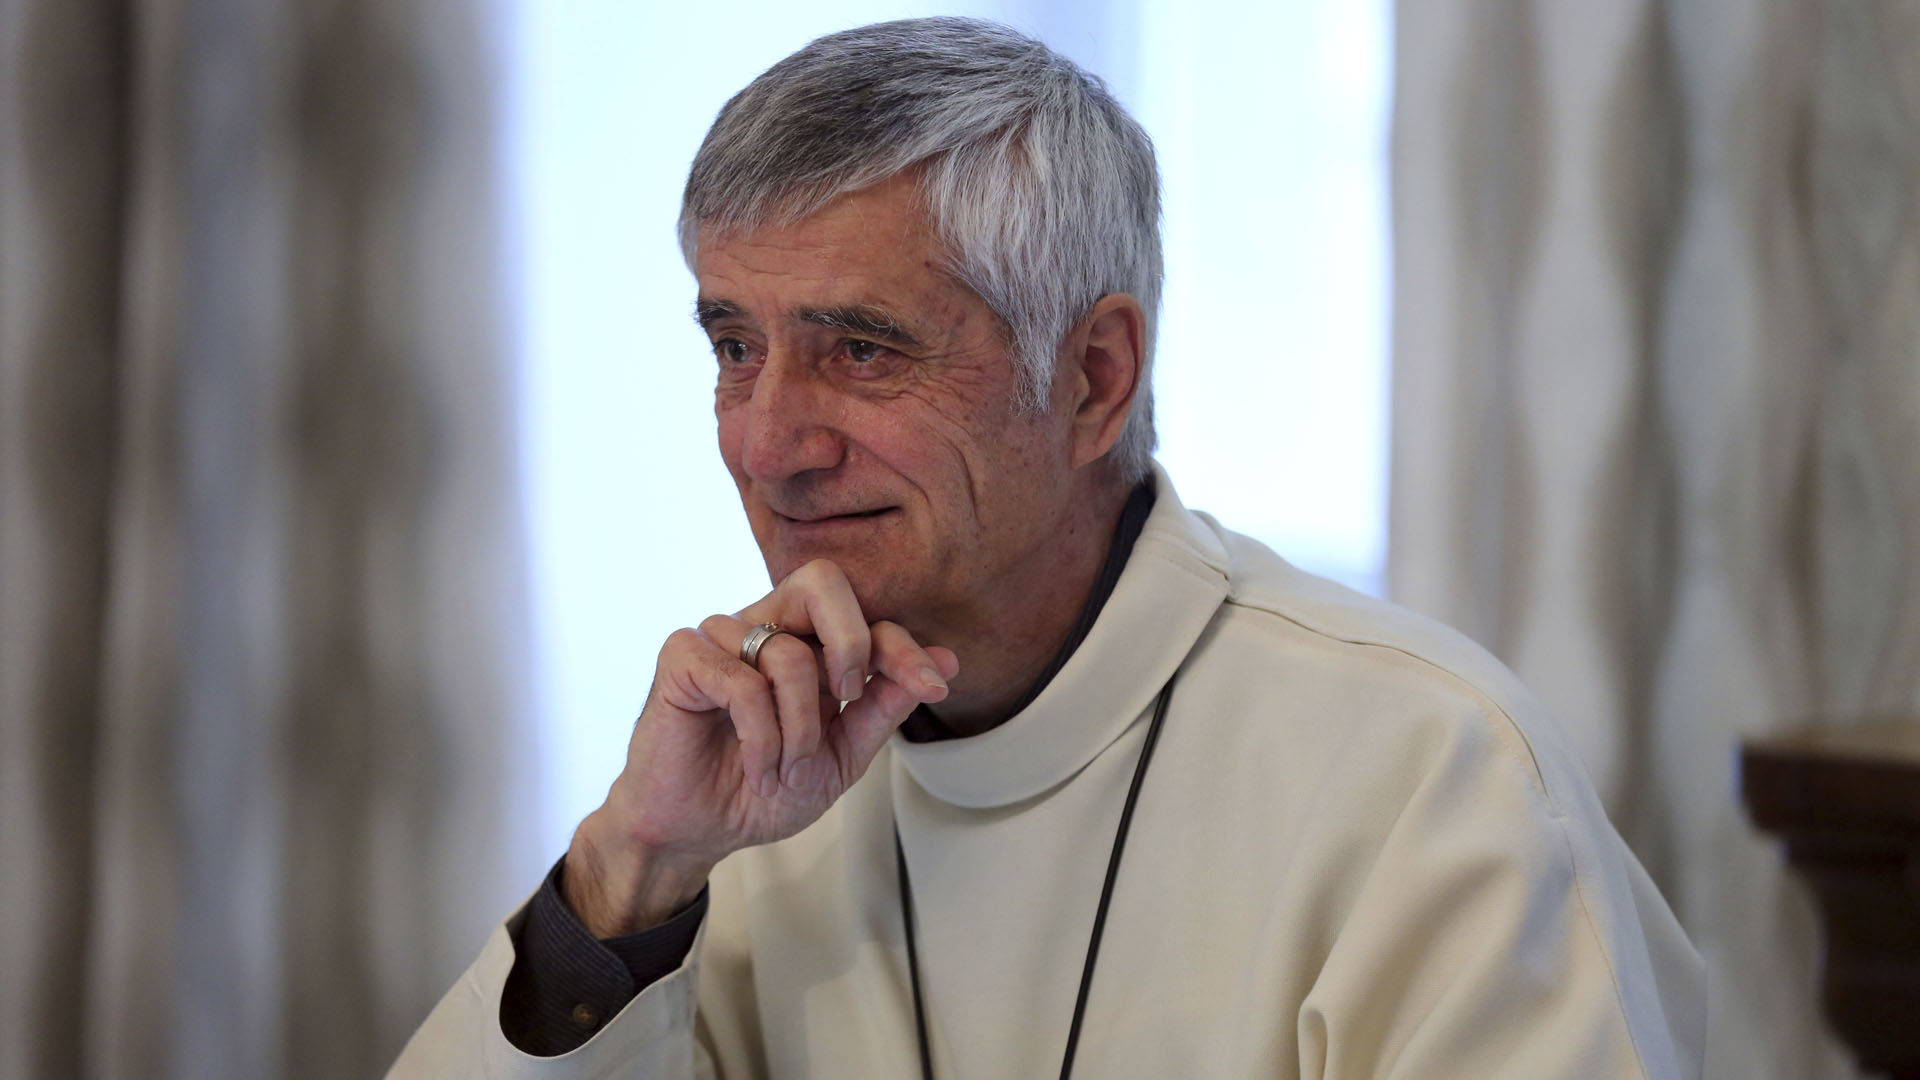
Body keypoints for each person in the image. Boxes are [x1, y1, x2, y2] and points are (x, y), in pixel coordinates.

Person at [392, 17, 1705, 1079]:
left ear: (1091, 377)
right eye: (736, 347)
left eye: (860, 347)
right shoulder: (740, 794)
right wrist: (628, 879)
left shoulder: (1430, 782)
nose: (767, 442)